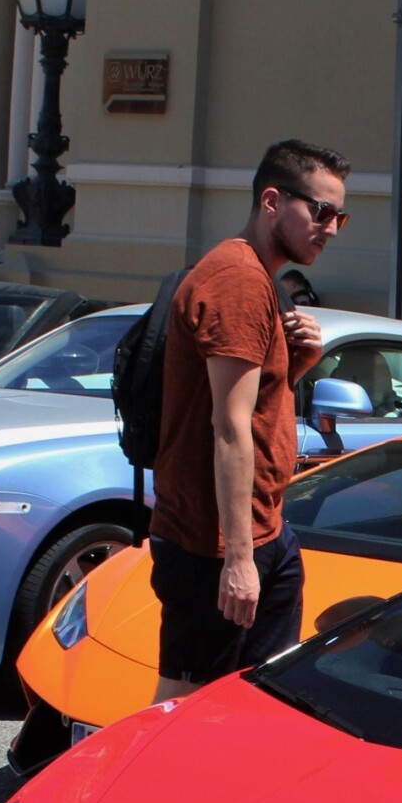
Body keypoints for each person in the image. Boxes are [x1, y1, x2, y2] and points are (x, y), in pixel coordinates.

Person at [147, 139, 346, 704]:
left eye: (340, 216)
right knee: (185, 706)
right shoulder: (236, 280)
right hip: (212, 545)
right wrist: (237, 560)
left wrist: (298, 366)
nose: (330, 228)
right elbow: (228, 427)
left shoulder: (263, 279)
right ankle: (151, 794)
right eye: (320, 212)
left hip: (267, 530)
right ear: (272, 201)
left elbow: (254, 408)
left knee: (258, 705)